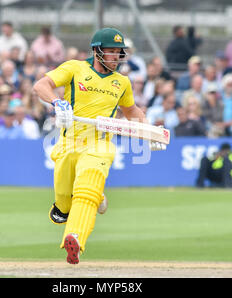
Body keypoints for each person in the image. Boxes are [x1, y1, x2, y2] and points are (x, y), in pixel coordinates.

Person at [33, 27, 166, 265]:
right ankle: (92, 198)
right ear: (97, 51)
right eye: (111, 51)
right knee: (64, 203)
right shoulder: (75, 68)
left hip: (100, 144)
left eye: (119, 52)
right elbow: (41, 85)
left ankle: (74, 238)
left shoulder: (122, 82)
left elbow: (131, 110)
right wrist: (56, 102)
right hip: (69, 142)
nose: (116, 57)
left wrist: (150, 131)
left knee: (85, 191)